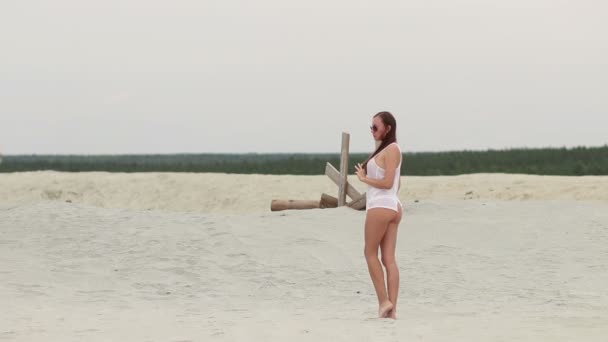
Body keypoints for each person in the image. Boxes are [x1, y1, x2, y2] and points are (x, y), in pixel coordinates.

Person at [355, 111, 403, 319]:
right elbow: (397, 184)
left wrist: (364, 179)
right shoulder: (385, 149)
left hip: (381, 206)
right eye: (371, 127)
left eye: (376, 127)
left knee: (370, 253)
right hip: (391, 205)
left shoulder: (392, 149)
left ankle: (384, 301)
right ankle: (391, 311)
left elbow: (388, 183)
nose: (372, 131)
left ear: (388, 128)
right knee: (388, 259)